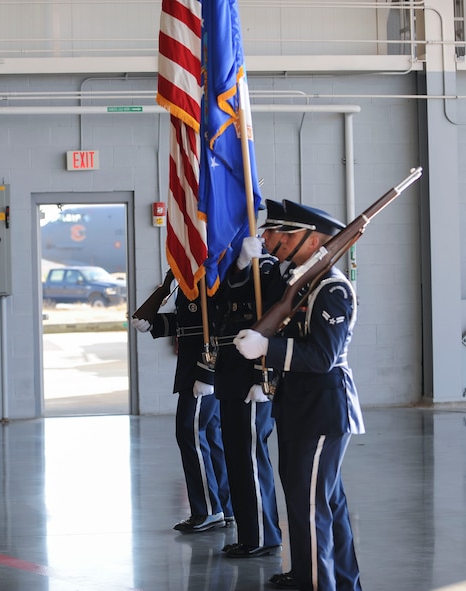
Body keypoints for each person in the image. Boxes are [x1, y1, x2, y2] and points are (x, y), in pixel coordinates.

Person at [234, 200, 365, 590]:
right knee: (320, 502)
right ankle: (340, 580)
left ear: (311, 241)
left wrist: (268, 350)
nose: (268, 238)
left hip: (322, 409)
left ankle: (317, 584)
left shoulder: (332, 288)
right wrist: (243, 266)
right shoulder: (301, 280)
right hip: (297, 406)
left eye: (280, 234)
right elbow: (253, 296)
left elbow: (322, 356)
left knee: (310, 508)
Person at [132, 286, 233, 533]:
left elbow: (221, 325)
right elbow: (190, 322)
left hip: (202, 371)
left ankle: (208, 510)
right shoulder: (192, 282)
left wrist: (207, 374)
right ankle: (223, 506)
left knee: (190, 432)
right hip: (195, 369)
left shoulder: (209, 280)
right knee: (209, 435)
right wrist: (155, 324)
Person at [213, 233, 284, 558]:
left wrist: (263, 376)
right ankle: (250, 533)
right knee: (237, 459)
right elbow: (220, 307)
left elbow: (273, 325)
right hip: (230, 377)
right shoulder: (237, 269)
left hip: (251, 379)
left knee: (251, 460)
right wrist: (240, 266)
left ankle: (262, 537)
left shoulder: (270, 271)